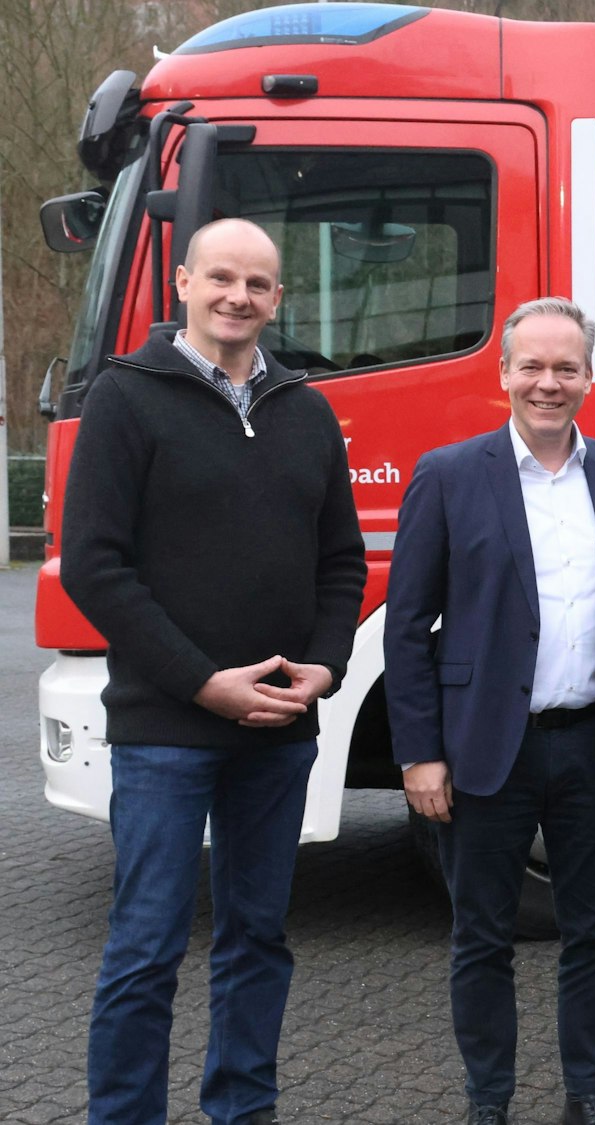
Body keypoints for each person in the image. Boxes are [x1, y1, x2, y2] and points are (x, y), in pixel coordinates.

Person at [61, 217, 367, 1125]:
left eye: (258, 284)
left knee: (257, 940)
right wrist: (203, 682)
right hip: (168, 728)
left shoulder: (307, 410)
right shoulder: (127, 398)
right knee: (147, 947)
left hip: (279, 729)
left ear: (278, 299)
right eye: (221, 278)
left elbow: (341, 562)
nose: (239, 296)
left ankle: (244, 1107)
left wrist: (324, 666)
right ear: (185, 283)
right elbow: (95, 565)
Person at [384, 298, 595, 1125]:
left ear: (591, 375)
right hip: (484, 751)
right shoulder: (447, 475)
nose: (549, 382)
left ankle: (585, 1093)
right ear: (504, 372)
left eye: (566, 367)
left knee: (594, 934)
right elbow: (407, 628)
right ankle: (490, 1099)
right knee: (482, 938)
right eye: (533, 366)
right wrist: (419, 754)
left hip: (593, 744)